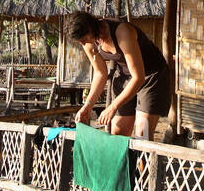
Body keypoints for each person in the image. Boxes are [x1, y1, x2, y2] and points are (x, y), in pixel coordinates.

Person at [68, 10, 171, 141]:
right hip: (125, 75)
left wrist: (113, 107)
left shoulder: (122, 32)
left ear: (90, 28)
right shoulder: (89, 42)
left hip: (151, 75)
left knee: (142, 133)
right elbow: (100, 73)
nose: (83, 44)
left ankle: (148, 161)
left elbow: (138, 77)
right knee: (118, 132)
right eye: (80, 42)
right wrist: (88, 105)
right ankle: (127, 162)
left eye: (83, 39)